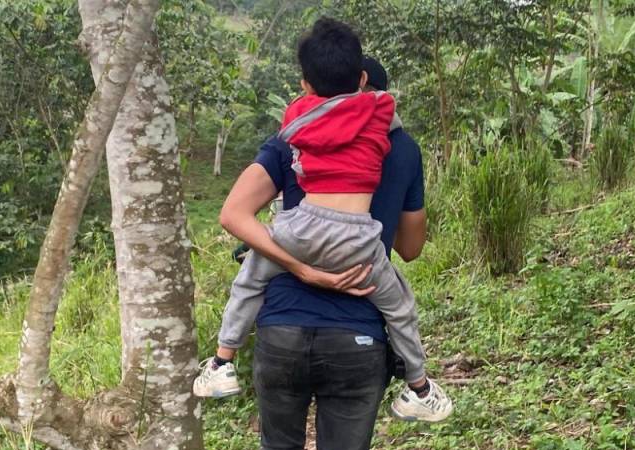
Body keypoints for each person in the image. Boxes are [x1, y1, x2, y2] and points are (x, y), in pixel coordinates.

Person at [210, 26, 437, 450]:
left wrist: (301, 266)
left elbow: (235, 212)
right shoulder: (400, 146)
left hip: (282, 326)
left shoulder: (291, 136)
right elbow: (410, 249)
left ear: (306, 84)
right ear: (364, 82)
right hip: (359, 336)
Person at [193, 17, 451, 424]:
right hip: (359, 241)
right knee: (400, 306)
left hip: (302, 229)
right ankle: (419, 387)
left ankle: (221, 362)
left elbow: (242, 202)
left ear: (305, 85)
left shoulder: (296, 121)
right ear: (363, 78)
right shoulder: (380, 112)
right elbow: (381, 105)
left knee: (251, 277)